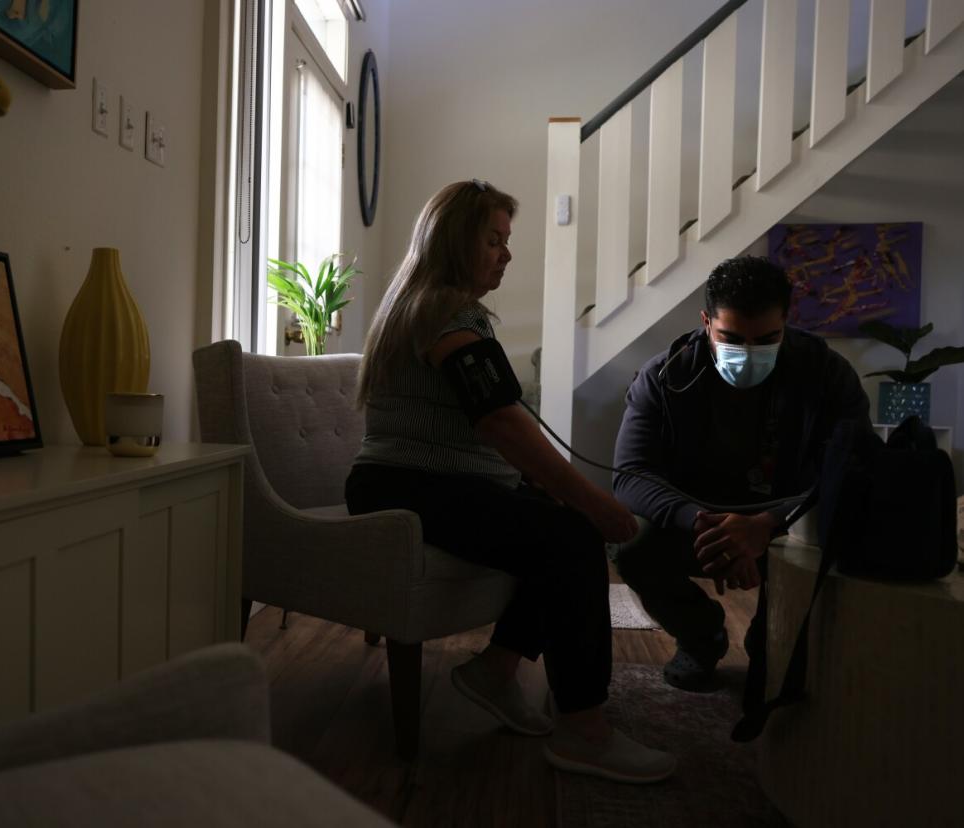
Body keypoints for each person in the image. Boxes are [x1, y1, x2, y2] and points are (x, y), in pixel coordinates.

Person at [346, 179, 675, 784]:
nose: (506, 253)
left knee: (561, 527)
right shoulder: (446, 313)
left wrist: (558, 490)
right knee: (574, 538)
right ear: (454, 242)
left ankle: (495, 671)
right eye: (493, 240)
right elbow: (499, 418)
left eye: (506, 240)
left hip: (406, 481)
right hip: (408, 486)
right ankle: (584, 730)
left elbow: (497, 423)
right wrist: (594, 502)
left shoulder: (425, 305)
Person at [611, 255, 871, 693]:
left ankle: (769, 641)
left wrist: (767, 526)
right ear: (705, 322)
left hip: (789, 529)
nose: (748, 353)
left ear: (787, 321)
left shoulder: (826, 374)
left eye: (766, 339)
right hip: (698, 527)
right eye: (730, 338)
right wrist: (703, 523)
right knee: (629, 541)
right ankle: (700, 635)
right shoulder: (665, 375)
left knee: (841, 543)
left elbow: (855, 472)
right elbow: (631, 475)